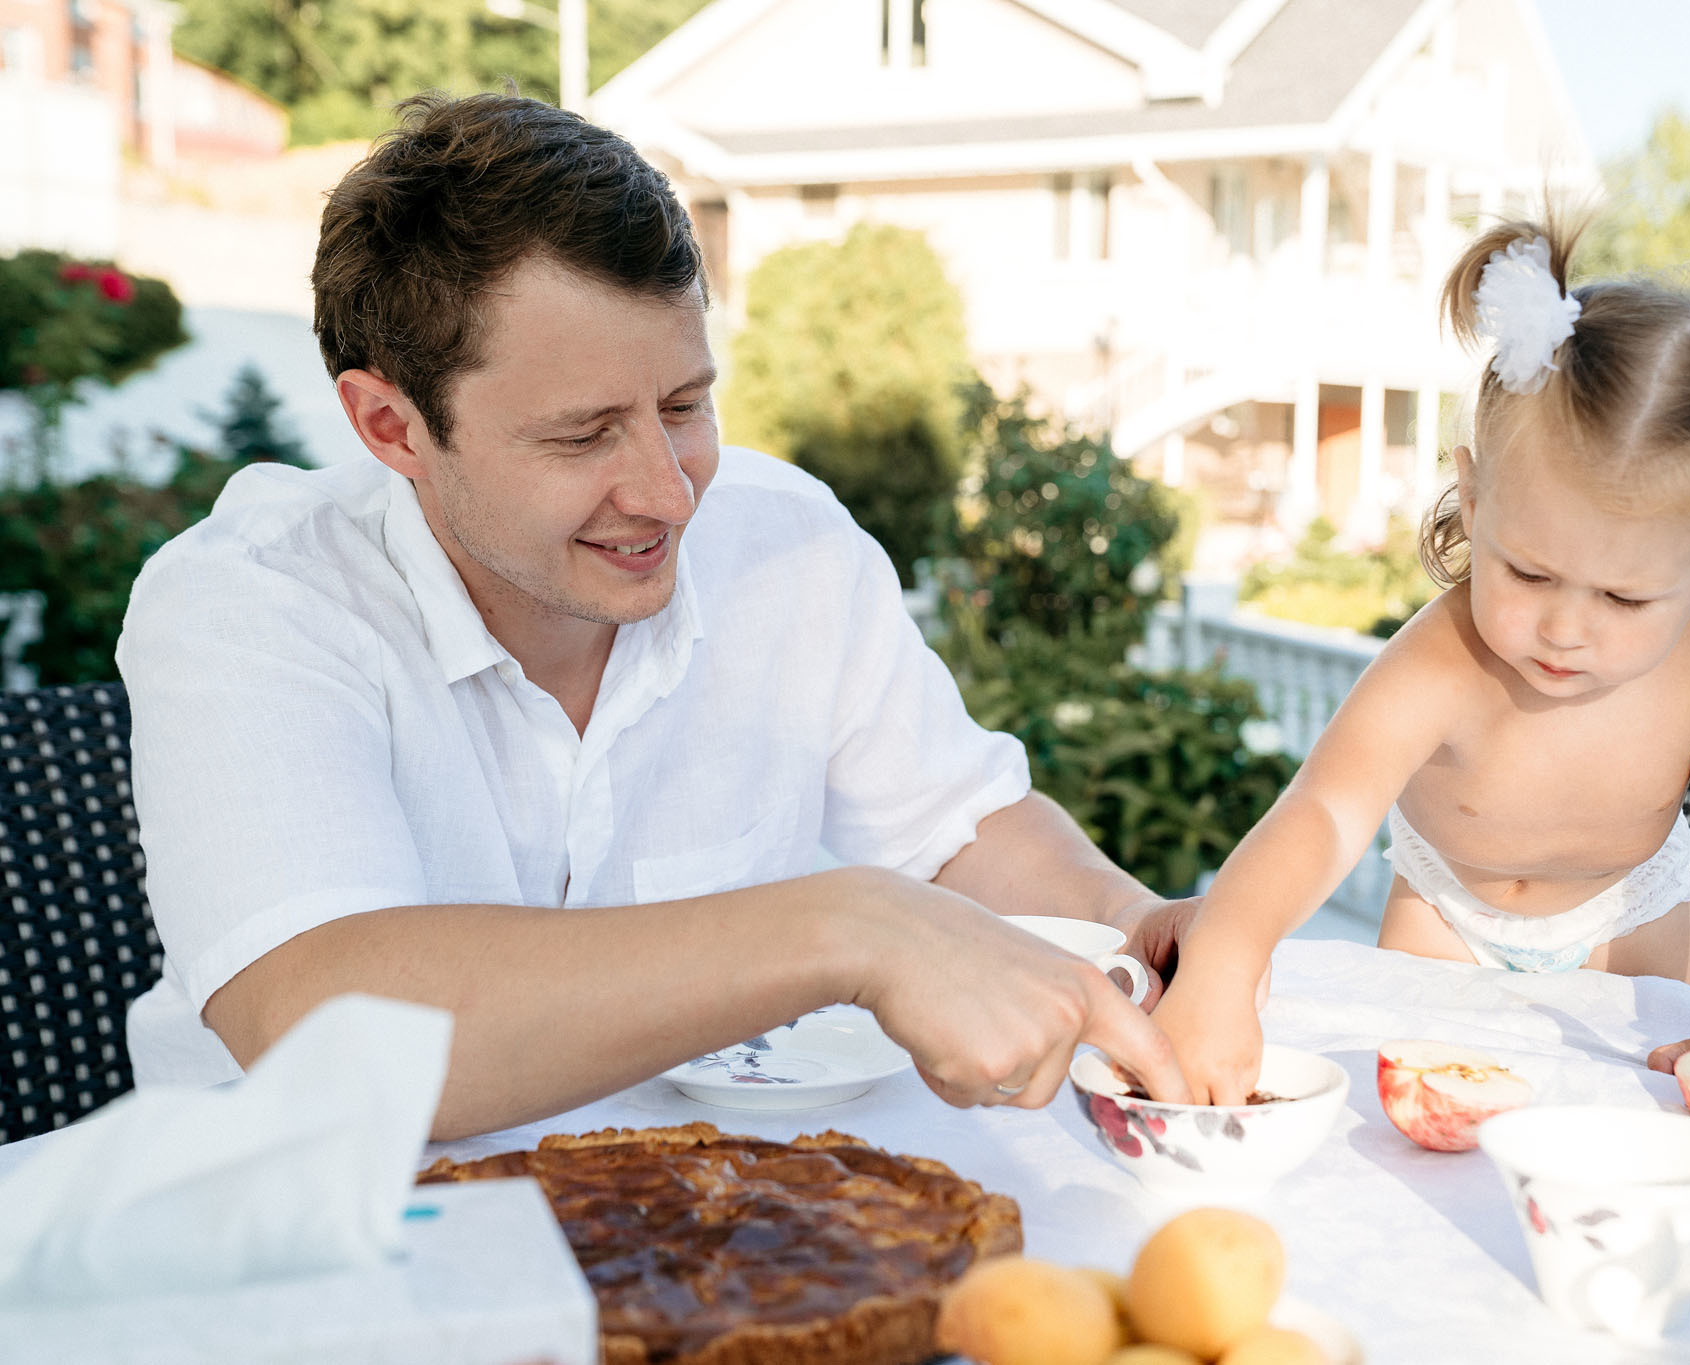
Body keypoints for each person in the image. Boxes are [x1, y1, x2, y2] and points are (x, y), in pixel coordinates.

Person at [116, 91, 1192, 1139]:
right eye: (582, 436)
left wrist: (1132, 927)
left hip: (704, 1225)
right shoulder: (251, 603)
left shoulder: (787, 542)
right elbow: (335, 1037)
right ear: (391, 426)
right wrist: (844, 928)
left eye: (683, 406)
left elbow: (957, 832)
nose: (669, 493)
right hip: (304, 1251)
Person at [1152, 213, 1690, 1103]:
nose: (1567, 628)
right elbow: (1327, 811)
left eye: (1624, 598)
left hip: (1635, 914)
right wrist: (1228, 951)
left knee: (1634, 1118)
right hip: (1446, 916)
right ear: (1475, 494)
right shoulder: (1444, 652)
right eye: (1530, 572)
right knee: (1417, 1127)